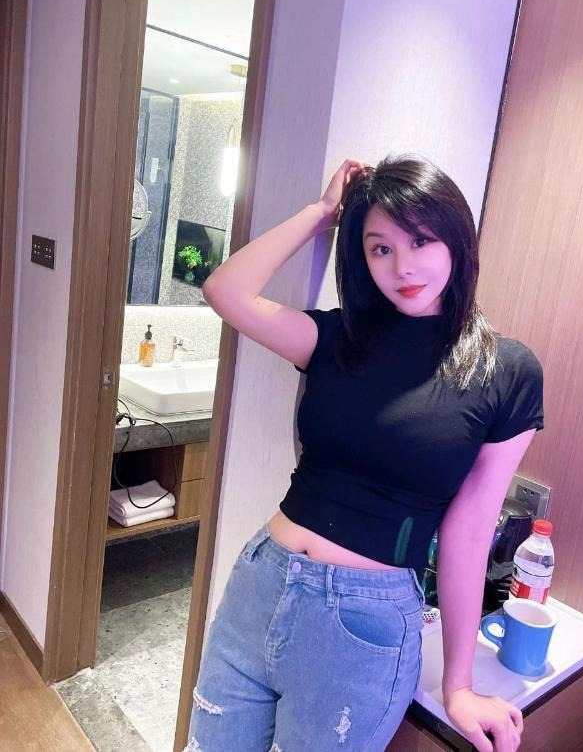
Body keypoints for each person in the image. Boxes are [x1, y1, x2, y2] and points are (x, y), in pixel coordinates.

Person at [183, 155, 544, 752]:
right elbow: (225, 290)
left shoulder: (505, 371)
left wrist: (459, 685)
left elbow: (469, 531)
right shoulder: (336, 339)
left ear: (457, 238)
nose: (403, 266)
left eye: (421, 240)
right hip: (260, 585)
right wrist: (322, 212)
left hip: (364, 627)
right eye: (381, 248)